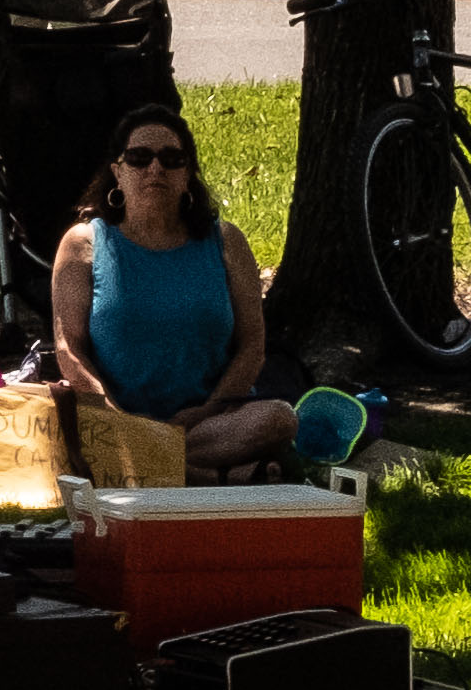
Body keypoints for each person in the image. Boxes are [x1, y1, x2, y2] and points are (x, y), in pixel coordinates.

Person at [47, 105, 295, 482]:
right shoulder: (84, 243)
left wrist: (206, 411)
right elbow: (69, 350)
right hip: (115, 420)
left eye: (172, 158)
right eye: (139, 157)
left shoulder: (226, 241)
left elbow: (253, 345)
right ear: (117, 172)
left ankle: (154, 468)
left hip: (209, 424)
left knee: (280, 418)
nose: (155, 169)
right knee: (79, 432)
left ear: (188, 175)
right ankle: (217, 477)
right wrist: (114, 414)